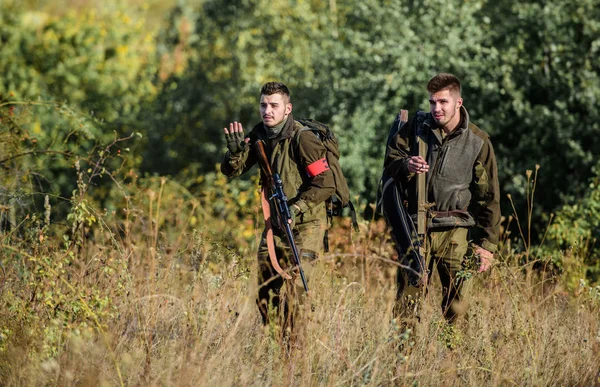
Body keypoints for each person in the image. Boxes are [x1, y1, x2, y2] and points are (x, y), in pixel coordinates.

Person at [383, 73, 501, 324]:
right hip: (416, 228)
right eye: (432, 102)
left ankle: (454, 359)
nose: (436, 108)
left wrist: (486, 246)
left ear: (458, 103)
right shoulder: (414, 128)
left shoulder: (478, 142)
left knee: (457, 307)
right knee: (408, 304)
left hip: (456, 231)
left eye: (443, 102)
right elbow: (390, 164)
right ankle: (404, 361)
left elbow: (489, 197)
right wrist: (406, 165)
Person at [220, 82, 335, 330]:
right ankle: (277, 343)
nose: (267, 111)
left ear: (287, 108)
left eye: (274, 105)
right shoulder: (259, 134)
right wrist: (234, 152)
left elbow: (326, 183)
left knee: (297, 294)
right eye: (263, 105)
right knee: (264, 293)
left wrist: (296, 208)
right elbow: (233, 171)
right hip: (276, 225)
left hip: (307, 224)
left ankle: (294, 353)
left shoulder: (303, 139)